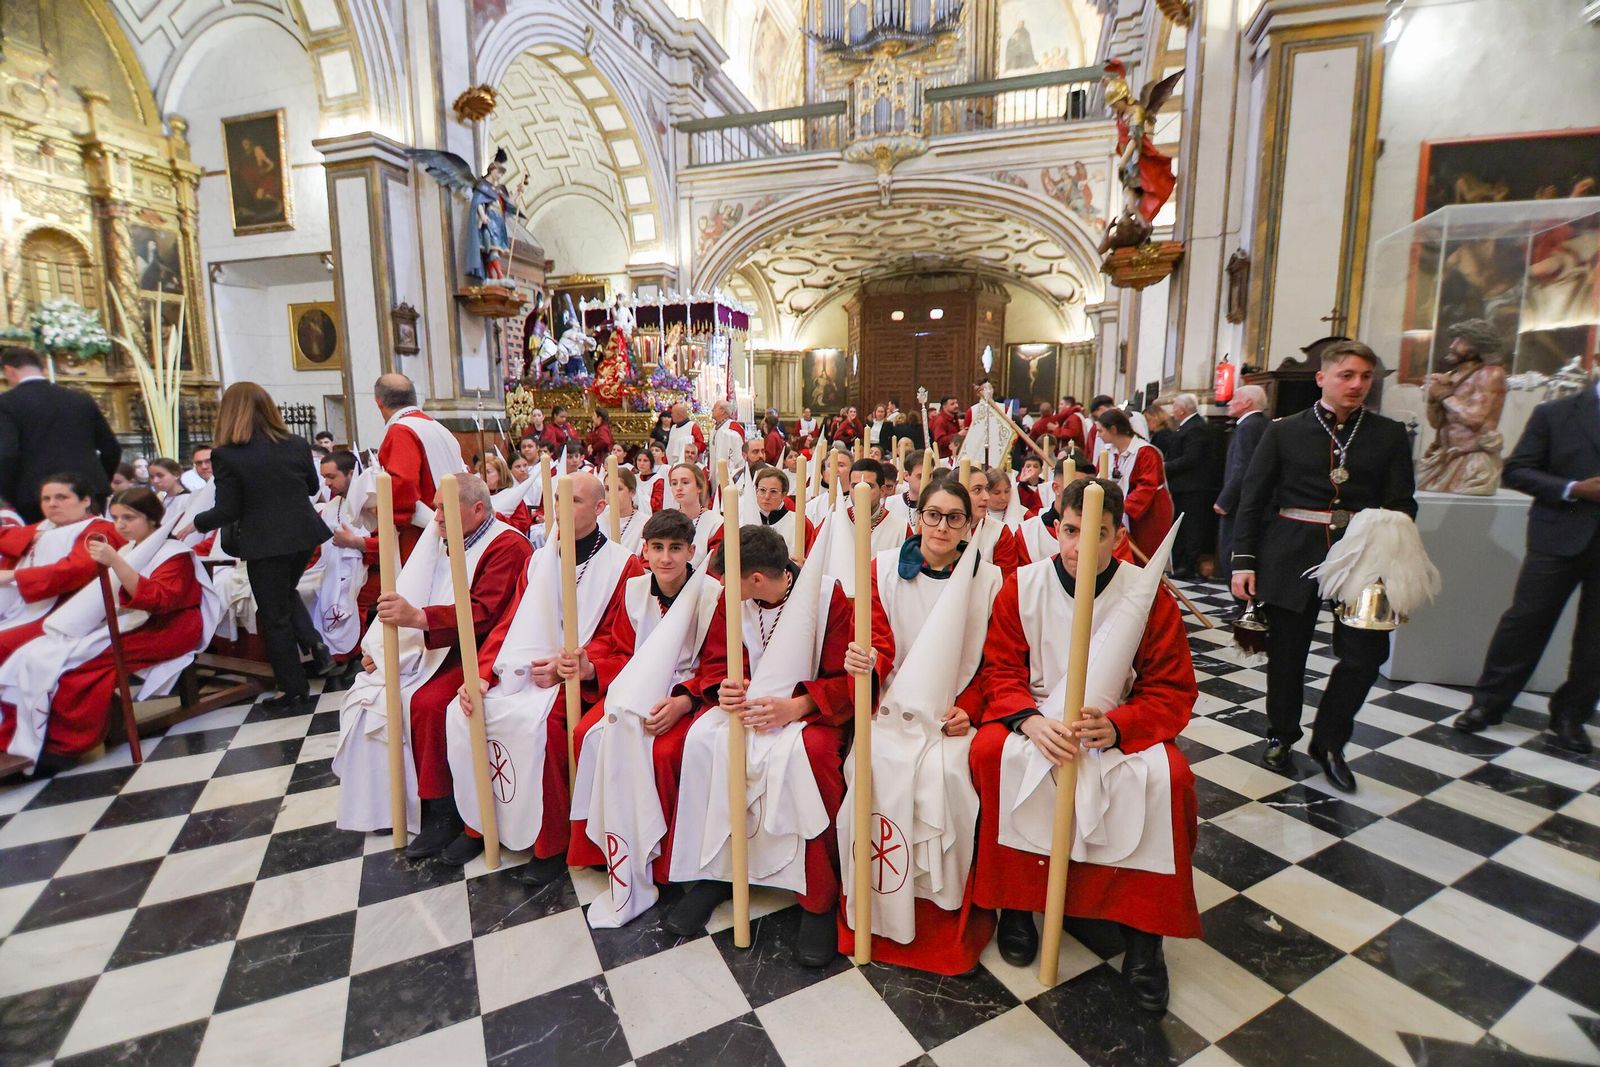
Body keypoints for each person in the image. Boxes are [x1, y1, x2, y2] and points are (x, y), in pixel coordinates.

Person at [969, 478, 1198, 1011]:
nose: (1079, 547)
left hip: (1114, 722)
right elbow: (999, 670)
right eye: (1070, 531)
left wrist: (1121, 726)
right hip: (1037, 719)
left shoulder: (1148, 595)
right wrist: (1026, 720)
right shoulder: (1021, 586)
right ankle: (1018, 909)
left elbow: (1169, 687)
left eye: (1096, 534)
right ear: (1055, 529)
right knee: (988, 755)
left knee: (1171, 779)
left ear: (1118, 536)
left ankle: (1144, 936)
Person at [665, 524, 877, 966]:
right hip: (750, 709)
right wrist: (722, 686)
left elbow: (850, 679)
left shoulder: (827, 598)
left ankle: (817, 897)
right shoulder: (733, 599)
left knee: (809, 757)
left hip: (809, 711)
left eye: (731, 580)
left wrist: (798, 706)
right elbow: (717, 661)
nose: (723, 588)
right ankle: (717, 872)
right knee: (703, 742)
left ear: (757, 580)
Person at [1230, 340, 1416, 791]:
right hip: (1292, 553)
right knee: (1288, 656)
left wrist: (1388, 542)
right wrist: (1243, 561)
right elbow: (1252, 499)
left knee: (1364, 656)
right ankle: (1281, 735)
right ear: (1322, 378)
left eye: (1365, 377)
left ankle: (1330, 742)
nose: (1356, 385)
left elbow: (1402, 502)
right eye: (1346, 375)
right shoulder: (1284, 430)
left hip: (1363, 558)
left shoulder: (1388, 434)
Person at [839, 478, 1002, 972]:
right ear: (917, 517)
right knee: (867, 765)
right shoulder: (882, 570)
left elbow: (995, 660)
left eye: (955, 518)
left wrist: (970, 707)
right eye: (933, 515)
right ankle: (872, 906)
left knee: (950, 777)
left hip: (951, 714)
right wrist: (865, 664)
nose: (942, 526)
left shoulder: (989, 580)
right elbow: (878, 643)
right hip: (889, 708)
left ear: (969, 526)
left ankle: (937, 910)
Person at [446, 472, 644, 880]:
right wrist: (482, 674)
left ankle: (549, 843)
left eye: (573, 500)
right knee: (464, 709)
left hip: (575, 679)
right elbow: (510, 622)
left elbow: (621, 638)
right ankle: (481, 823)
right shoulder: (538, 559)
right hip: (524, 670)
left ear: (599, 508)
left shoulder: (624, 566)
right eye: (556, 498)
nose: (560, 507)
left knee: (549, 729)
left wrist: (577, 664)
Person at [334, 474, 531, 852]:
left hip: (486, 648)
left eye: (444, 507)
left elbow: (486, 613)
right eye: (436, 505)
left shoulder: (507, 546)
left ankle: (448, 812)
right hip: (440, 641)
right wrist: (385, 646)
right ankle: (397, 801)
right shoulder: (442, 538)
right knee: (371, 695)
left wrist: (418, 620)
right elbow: (415, 588)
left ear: (477, 509)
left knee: (426, 703)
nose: (435, 515)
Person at [567, 510, 723, 921]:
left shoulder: (712, 594)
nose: (666, 558)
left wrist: (685, 701)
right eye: (657, 548)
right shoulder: (635, 589)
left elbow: (716, 663)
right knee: (588, 735)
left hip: (685, 692)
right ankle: (606, 843)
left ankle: (664, 862)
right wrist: (591, 670)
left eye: (676, 548)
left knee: (664, 754)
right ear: (645, 551)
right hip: (634, 686)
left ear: (693, 550)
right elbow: (621, 650)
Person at [0, 487, 216, 774]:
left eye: (129, 517)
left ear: (152, 519)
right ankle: (21, 739)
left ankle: (64, 746)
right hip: (129, 620)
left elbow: (161, 600)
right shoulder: (129, 549)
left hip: (168, 627)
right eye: (116, 518)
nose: (121, 525)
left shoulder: (174, 553)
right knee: (33, 655)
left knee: (77, 667)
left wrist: (114, 562)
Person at [1453, 380, 1600, 753]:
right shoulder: (1555, 413)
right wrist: (1573, 488)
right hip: (1559, 534)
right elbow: (1517, 470)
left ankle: (1571, 716)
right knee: (1526, 622)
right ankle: (1487, 704)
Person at [192, 382, 334, 710]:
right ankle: (314, 643)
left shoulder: (227, 454)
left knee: (274, 616)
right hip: (303, 534)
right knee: (283, 594)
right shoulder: (297, 443)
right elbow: (312, 487)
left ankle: (292, 688)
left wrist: (193, 524)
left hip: (265, 542)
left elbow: (228, 511)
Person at [0, 474, 122, 674]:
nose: (52, 504)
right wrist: (32, 537)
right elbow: (6, 537)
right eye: (46, 499)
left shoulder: (100, 530)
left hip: (68, 613)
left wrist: (15, 576)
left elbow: (75, 570)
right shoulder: (45, 528)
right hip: (31, 607)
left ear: (85, 500)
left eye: (61, 498)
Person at [0, 346, 121, 523]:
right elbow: (111, 449)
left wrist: (10, 493)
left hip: (37, 495)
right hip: (89, 490)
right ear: (43, 369)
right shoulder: (80, 399)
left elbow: (7, 455)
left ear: (9, 370)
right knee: (94, 542)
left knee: (49, 547)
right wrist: (96, 480)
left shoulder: (6, 403)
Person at [375, 374, 468, 562]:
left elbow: (403, 484)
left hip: (421, 535)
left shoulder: (401, 430)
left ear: (378, 402)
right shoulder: (439, 428)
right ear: (413, 398)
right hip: (453, 525)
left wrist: (382, 506)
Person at [1416, 319, 1510, 495]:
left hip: (1472, 461)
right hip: (1444, 459)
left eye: (1461, 341)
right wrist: (1432, 399)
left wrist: (1444, 395)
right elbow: (1436, 424)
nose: (1453, 345)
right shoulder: (1453, 376)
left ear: (1478, 346)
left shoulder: (1491, 374)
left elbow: (1475, 419)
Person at [1096, 409, 1174, 562]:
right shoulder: (1109, 452)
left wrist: (1122, 509)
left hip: (1148, 512)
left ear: (1113, 429)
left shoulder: (1146, 452)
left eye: (1101, 430)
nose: (1098, 435)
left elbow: (1148, 485)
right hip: (1124, 508)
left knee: (1144, 556)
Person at [1213, 385, 1268, 587]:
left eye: (1234, 398)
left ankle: (1244, 606)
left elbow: (1243, 468)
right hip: (1250, 502)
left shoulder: (1248, 427)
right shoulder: (1260, 424)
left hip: (1239, 504)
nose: (1228, 402)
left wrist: (1225, 500)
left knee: (1232, 553)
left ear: (1247, 403)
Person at [1162, 394, 1219, 579]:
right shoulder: (1187, 426)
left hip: (1193, 488)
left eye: (1174, 407)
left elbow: (1191, 458)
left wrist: (1164, 466)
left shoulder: (1195, 428)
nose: (1172, 412)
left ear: (1182, 409)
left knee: (1191, 528)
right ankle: (1180, 562)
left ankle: (1188, 565)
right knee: (1182, 527)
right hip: (1183, 487)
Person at [666, 463, 722, 566]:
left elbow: (715, 567)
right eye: (674, 483)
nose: (678, 488)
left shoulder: (716, 523)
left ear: (699, 487)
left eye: (685, 482)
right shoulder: (666, 521)